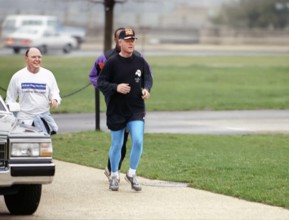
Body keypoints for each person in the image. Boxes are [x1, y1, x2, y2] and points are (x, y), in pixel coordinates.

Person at [89, 27, 151, 180]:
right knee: (118, 143)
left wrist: (146, 89)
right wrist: (113, 89)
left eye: (133, 40)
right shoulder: (106, 59)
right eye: (125, 39)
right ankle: (113, 171)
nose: (130, 43)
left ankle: (129, 173)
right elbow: (96, 78)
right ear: (118, 40)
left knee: (136, 140)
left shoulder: (139, 58)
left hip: (134, 107)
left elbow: (147, 77)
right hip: (115, 105)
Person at [5, 47, 61, 134]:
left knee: (43, 147)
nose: (37, 59)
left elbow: (55, 93)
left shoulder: (48, 75)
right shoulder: (17, 76)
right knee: (23, 146)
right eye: (34, 57)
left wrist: (55, 100)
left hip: (43, 120)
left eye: (39, 57)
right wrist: (13, 116)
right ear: (26, 58)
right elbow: (10, 99)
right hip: (23, 121)